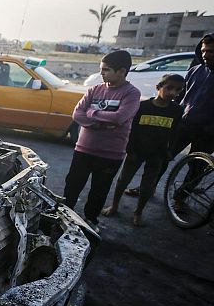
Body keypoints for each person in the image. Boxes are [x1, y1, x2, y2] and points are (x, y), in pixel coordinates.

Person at [125, 33, 214, 198]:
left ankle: (180, 199)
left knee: (196, 167)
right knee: (162, 158)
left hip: (207, 131)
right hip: (184, 124)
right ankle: (147, 189)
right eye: (203, 51)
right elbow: (180, 96)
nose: (205, 55)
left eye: (210, 51)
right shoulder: (196, 70)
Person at [63, 50, 141, 232]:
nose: (102, 73)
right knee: (72, 186)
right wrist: (98, 122)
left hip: (111, 154)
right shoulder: (94, 90)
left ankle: (90, 220)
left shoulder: (131, 93)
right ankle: (64, 216)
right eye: (101, 69)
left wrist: (92, 113)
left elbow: (119, 118)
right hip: (83, 149)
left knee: (99, 190)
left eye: (106, 70)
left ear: (121, 71)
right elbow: (77, 114)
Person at [101, 74, 184, 226]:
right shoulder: (143, 106)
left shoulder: (177, 111)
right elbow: (131, 130)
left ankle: (138, 212)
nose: (173, 93)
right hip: (136, 151)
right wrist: (129, 148)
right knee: (123, 180)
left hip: (157, 154)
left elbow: (175, 132)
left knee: (147, 185)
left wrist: (169, 151)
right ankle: (114, 206)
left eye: (178, 90)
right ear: (158, 87)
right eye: (169, 87)